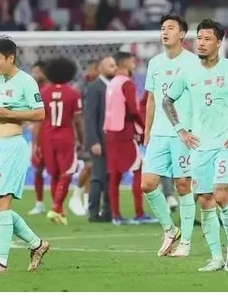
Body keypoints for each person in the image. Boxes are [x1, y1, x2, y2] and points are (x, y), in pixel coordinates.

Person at [163, 18, 228, 272]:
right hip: (199, 147)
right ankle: (216, 257)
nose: (201, 43)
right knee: (206, 200)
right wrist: (181, 130)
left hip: (225, 145)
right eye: (199, 38)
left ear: (219, 43)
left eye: (207, 39)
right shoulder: (187, 72)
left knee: (221, 195)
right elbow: (167, 101)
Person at [0, 34, 49, 274]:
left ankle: (1, 262)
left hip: (13, 147)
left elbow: (40, 113)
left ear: (11, 58)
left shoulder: (26, 81)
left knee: (2, 204)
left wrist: (7, 114)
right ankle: (37, 244)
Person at [141, 14, 198, 257]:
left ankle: (186, 242)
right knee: (147, 184)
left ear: (182, 33)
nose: (165, 32)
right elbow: (151, 100)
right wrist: (147, 131)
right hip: (159, 133)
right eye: (163, 28)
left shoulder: (193, 62)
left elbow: (198, 98)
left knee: (183, 185)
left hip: (184, 133)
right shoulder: (154, 63)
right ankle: (169, 229)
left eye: (170, 28)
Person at [32, 57, 84, 225]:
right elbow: (78, 121)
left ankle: (58, 211)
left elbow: (38, 121)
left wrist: (36, 144)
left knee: (54, 174)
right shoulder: (73, 93)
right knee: (67, 172)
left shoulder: (43, 93)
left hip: (47, 137)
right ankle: (56, 207)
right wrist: (82, 139)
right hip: (65, 136)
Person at [104, 52, 151, 225]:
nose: (134, 65)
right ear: (125, 64)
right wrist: (144, 128)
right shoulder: (127, 83)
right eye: (132, 62)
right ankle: (139, 213)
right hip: (124, 132)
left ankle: (116, 215)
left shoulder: (112, 83)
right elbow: (133, 110)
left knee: (115, 175)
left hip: (110, 132)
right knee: (138, 170)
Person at [84, 56, 116, 222]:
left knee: (111, 177)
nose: (114, 68)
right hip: (99, 141)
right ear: (101, 69)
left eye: (115, 65)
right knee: (98, 177)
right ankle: (93, 212)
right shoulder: (94, 87)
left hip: (113, 141)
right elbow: (89, 117)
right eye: (111, 65)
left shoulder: (115, 86)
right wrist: (93, 141)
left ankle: (108, 212)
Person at [68, 59, 99, 215]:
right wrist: (76, 136)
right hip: (84, 133)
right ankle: (76, 196)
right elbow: (74, 115)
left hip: (98, 131)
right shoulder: (79, 88)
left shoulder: (102, 85)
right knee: (89, 165)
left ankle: (87, 200)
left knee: (95, 168)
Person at [28, 60, 48, 215]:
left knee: (59, 171)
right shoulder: (32, 91)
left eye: (37, 72)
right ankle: (39, 203)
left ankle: (58, 205)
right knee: (38, 169)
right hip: (38, 135)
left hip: (53, 135)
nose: (34, 75)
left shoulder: (49, 91)